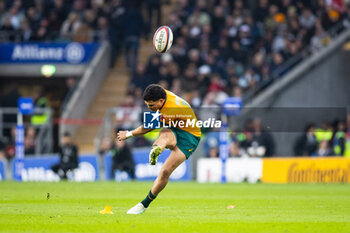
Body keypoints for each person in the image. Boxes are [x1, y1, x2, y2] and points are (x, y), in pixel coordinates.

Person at [117, 84, 201, 214]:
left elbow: (146, 128)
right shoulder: (162, 94)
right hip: (176, 126)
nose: (149, 108)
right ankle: (157, 149)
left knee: (165, 171)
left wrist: (128, 134)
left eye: (151, 105)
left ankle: (143, 204)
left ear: (161, 101)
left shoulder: (170, 109)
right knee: (165, 134)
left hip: (190, 137)